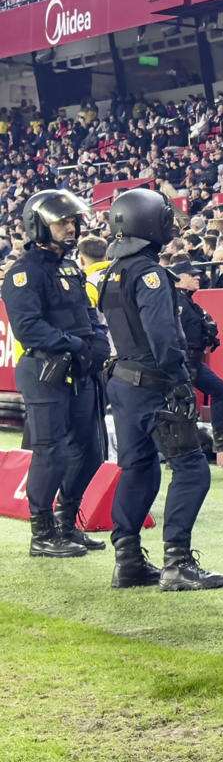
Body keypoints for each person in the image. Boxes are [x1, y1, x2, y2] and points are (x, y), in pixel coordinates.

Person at [98, 189, 223, 592]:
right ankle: (177, 562)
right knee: (192, 469)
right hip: (154, 386)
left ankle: (129, 560)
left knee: (138, 469)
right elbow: (163, 336)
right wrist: (180, 382)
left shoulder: (110, 273)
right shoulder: (151, 274)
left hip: (123, 383)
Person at [1, 190, 109, 557]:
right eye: (62, 221)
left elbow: (87, 316)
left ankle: (66, 524)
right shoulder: (22, 273)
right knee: (51, 452)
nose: (71, 227)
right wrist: (76, 344)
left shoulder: (70, 267)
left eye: (72, 221)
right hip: (45, 369)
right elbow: (29, 328)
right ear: (39, 225)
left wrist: (96, 342)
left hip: (79, 368)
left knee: (92, 451)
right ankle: (42, 533)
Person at [174, 266, 223, 451]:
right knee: (184, 405)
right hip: (182, 361)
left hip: (194, 361)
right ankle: (180, 448)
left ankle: (219, 436)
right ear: (179, 277)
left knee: (221, 391)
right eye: (192, 275)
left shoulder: (188, 302)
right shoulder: (174, 301)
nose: (197, 277)